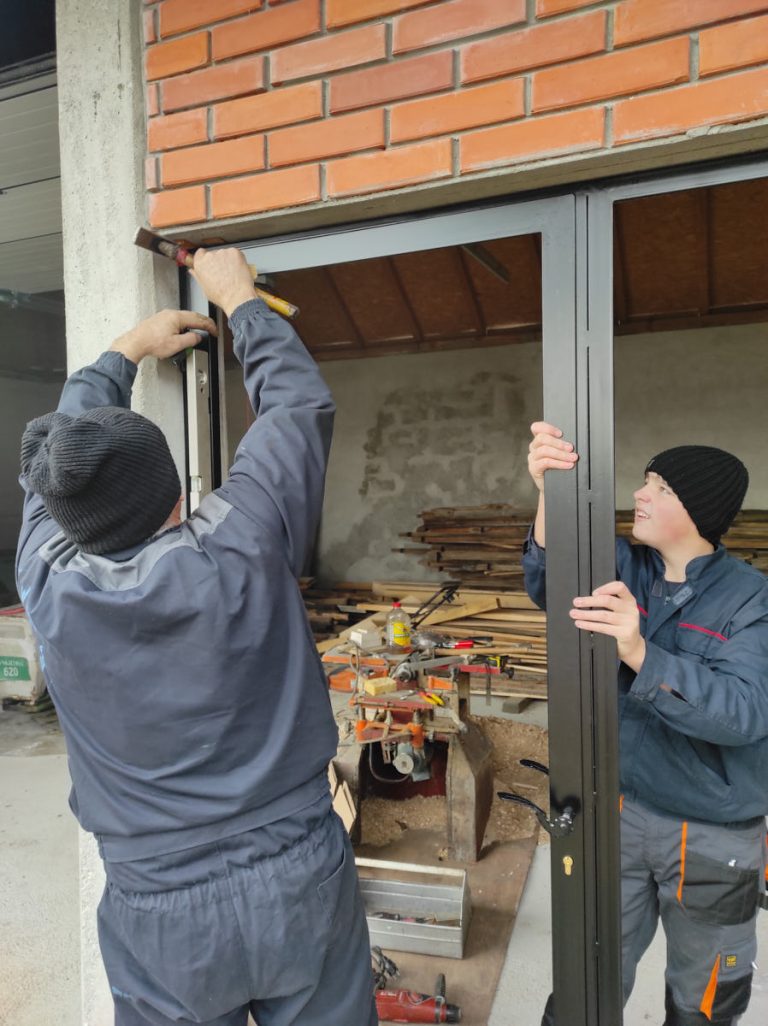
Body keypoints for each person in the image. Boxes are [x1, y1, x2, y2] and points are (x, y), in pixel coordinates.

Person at [16, 248, 378, 1026]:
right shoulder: (241, 538)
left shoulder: (44, 578)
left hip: (157, 908)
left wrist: (122, 353)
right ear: (177, 490)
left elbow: (51, 466)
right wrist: (239, 301)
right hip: (296, 872)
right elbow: (296, 409)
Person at [524, 422, 768, 1026]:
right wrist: (546, 490)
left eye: (657, 485)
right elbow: (550, 583)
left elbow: (743, 713)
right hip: (622, 814)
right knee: (587, 974)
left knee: (702, 1000)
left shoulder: (750, 599)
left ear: (697, 509)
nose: (640, 493)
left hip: (712, 835)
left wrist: (639, 652)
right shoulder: (625, 565)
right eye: (645, 480)